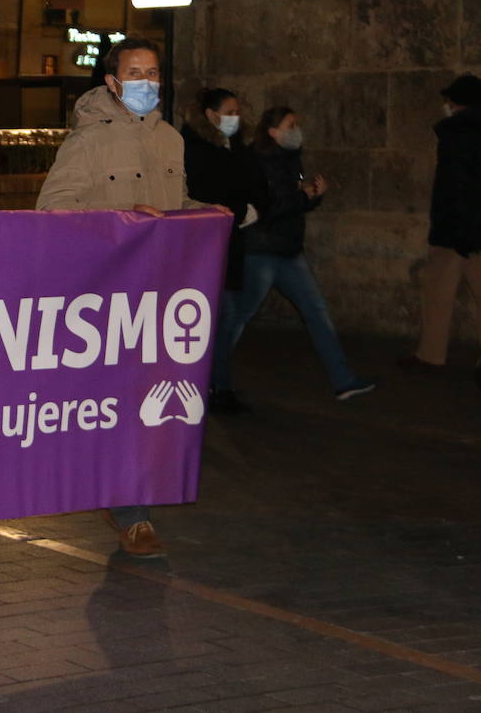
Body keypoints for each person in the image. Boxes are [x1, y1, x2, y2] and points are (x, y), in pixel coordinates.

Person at [36, 36, 226, 559]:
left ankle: (132, 495)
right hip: (108, 297)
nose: (147, 82)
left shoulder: (170, 138)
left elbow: (173, 202)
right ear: (113, 82)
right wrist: (122, 221)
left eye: (154, 73)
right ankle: (132, 511)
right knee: (122, 406)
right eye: (135, 74)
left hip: (161, 295)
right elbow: (54, 209)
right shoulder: (88, 141)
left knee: (149, 407)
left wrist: (204, 211)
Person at [217, 107, 375, 401]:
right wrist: (303, 196)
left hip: (287, 250)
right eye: (291, 125)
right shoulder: (260, 160)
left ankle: (344, 380)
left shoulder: (289, 159)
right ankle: (214, 379)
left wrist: (310, 196)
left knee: (316, 311)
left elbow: (291, 202)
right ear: (273, 132)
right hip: (261, 251)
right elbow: (270, 207)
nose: (296, 129)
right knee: (237, 317)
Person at [181, 88, 271, 413]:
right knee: (219, 318)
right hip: (203, 248)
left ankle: (218, 383)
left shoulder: (236, 148)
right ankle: (214, 386)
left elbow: (257, 186)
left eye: (237, 111)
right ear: (211, 115)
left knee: (227, 317)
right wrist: (239, 209)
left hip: (231, 245)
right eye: (230, 111)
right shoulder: (195, 149)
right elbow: (203, 194)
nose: (236, 117)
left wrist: (253, 208)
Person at [399, 74, 481, 387]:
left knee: (436, 289)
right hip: (470, 229)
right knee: (444, 286)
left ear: (458, 103)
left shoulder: (458, 133)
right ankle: (430, 353)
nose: (445, 106)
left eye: (449, 100)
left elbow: (457, 186)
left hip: (457, 231)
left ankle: (431, 354)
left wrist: (462, 230)